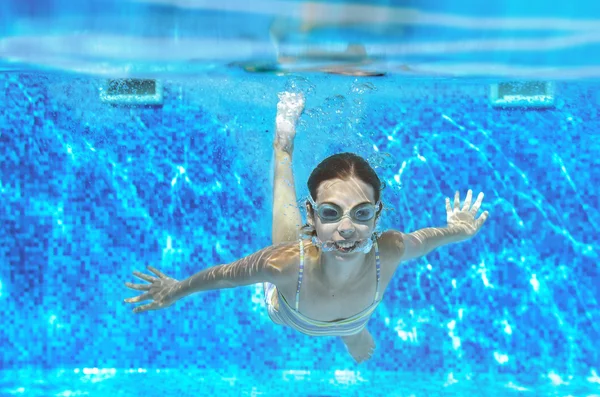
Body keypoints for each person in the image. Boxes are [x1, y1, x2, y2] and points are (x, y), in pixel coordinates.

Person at [124, 92, 489, 364]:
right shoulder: (284, 265)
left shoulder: (388, 249)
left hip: (353, 323)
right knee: (284, 219)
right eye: (330, 213)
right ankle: (283, 147)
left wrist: (459, 230)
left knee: (352, 331)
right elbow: (223, 276)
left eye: (361, 215)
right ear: (312, 217)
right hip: (287, 307)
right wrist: (177, 289)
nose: (346, 229)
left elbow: (425, 241)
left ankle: (351, 334)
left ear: (378, 217)